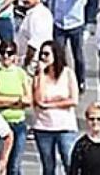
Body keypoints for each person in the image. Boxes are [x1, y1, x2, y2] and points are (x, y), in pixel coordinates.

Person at [0, 40, 31, 175]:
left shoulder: (20, 73)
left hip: (18, 123)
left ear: (15, 55)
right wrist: (17, 100)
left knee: (15, 166)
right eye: (3, 52)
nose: (6, 56)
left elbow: (29, 99)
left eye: (9, 53)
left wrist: (5, 99)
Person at [31, 40, 79, 175]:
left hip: (65, 126)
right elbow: (39, 100)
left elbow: (73, 100)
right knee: (48, 166)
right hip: (43, 127)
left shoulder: (68, 73)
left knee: (69, 162)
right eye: (41, 54)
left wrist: (50, 104)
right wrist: (40, 74)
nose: (43, 57)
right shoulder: (39, 76)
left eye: (46, 54)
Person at [49, 0, 88, 91]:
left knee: (78, 54)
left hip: (75, 22)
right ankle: (61, 80)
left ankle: (80, 81)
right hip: (60, 22)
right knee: (59, 54)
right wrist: (51, 16)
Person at [16, 0, 53, 67]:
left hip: (34, 63)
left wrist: (25, 65)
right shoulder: (31, 13)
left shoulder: (39, 15)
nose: (24, 0)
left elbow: (34, 45)